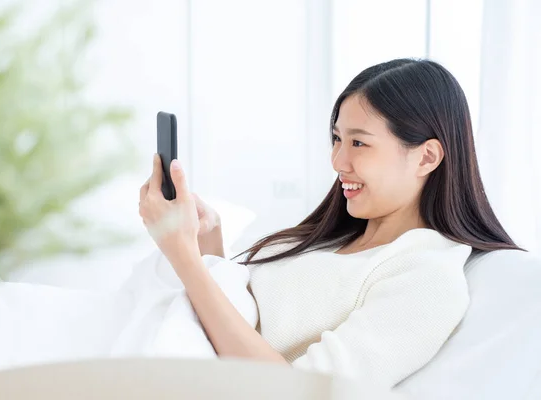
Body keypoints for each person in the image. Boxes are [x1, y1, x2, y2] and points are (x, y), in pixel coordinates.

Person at [138, 58, 523, 389]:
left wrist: (185, 260)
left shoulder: (426, 278)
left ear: (426, 158)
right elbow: (244, 323)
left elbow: (295, 393)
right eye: (337, 139)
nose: (338, 161)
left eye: (359, 143)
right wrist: (208, 246)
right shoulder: (331, 237)